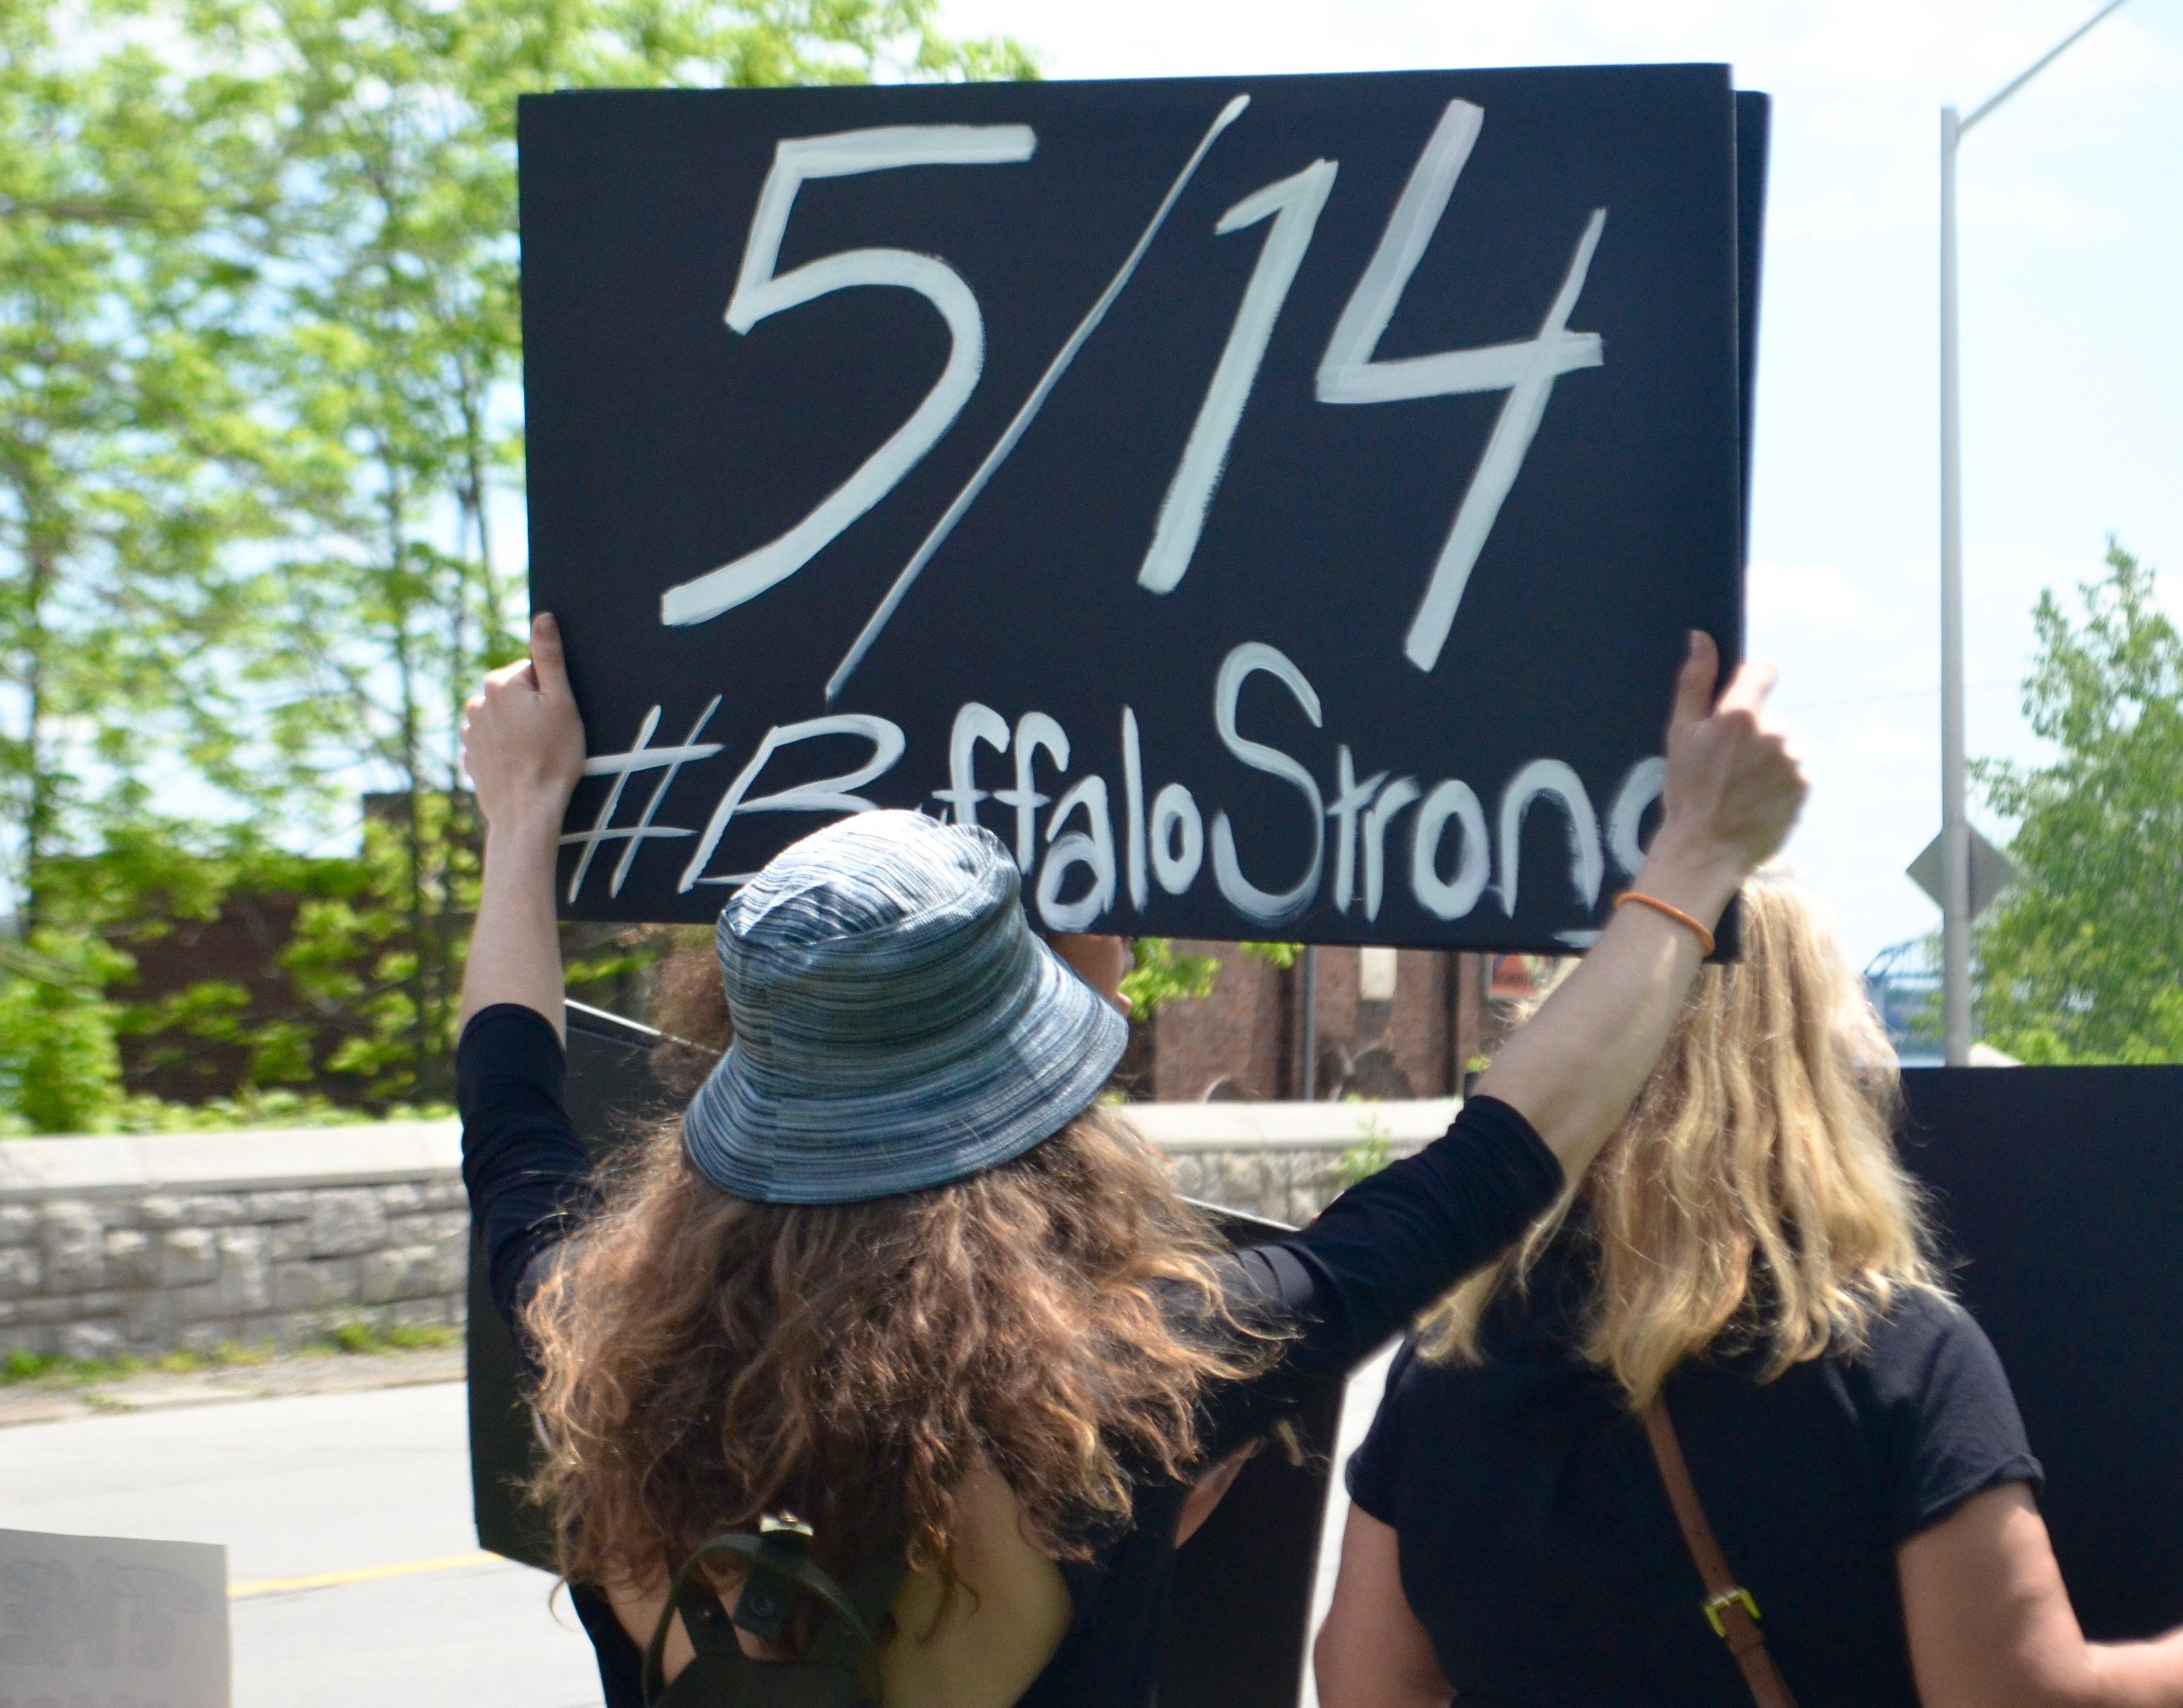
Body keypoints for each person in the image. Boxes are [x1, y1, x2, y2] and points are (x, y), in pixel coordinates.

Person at [455, 611, 1803, 1708]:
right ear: (1011, 1088)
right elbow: (1501, 1159)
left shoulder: (594, 1325)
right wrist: (1694, 857)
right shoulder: (1124, 1378)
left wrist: (523, 813)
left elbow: (508, 1108)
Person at [1314, 875, 2183, 1708]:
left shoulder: (1452, 1359)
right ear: (1813, 1074)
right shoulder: (1894, 1356)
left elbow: (1364, 1681)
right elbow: (2012, 1693)